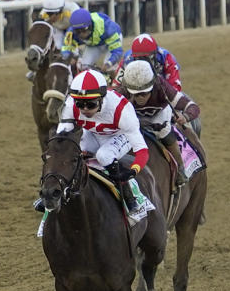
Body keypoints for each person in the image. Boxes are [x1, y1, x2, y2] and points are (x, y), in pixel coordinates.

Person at [34, 69, 153, 223]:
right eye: (80, 104)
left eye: (90, 104)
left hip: (119, 135)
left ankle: (129, 195)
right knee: (69, 152)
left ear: (102, 99)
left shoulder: (121, 110)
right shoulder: (70, 106)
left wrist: (132, 171)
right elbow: (62, 142)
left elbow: (142, 151)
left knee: (104, 156)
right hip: (92, 133)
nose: (85, 110)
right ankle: (54, 196)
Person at [120, 60, 189, 186]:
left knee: (164, 133)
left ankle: (180, 169)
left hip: (159, 116)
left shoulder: (163, 87)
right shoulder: (121, 90)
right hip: (134, 115)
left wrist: (186, 116)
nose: (140, 98)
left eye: (144, 93)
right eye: (135, 94)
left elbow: (190, 105)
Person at [61, 8, 124, 75]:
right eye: (77, 31)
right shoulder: (71, 32)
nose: (81, 34)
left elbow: (117, 51)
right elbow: (66, 48)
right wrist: (69, 58)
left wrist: (109, 63)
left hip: (112, 40)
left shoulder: (108, 28)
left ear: (90, 26)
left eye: (83, 30)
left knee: (109, 68)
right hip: (94, 44)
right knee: (84, 67)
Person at [117, 33, 183, 92]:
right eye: (139, 58)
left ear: (155, 54)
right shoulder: (127, 60)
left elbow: (175, 87)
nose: (143, 62)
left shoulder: (166, 57)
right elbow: (116, 85)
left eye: (147, 58)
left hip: (161, 93)